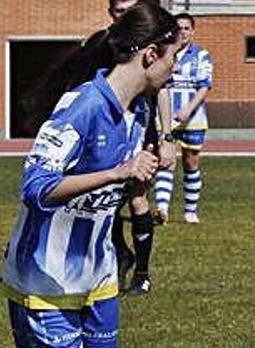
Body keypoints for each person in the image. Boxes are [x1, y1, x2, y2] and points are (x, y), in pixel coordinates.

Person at [0, 4, 178, 348]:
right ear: (151, 54)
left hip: (98, 279)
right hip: (44, 283)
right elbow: (35, 186)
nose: (176, 69)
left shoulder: (138, 110)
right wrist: (117, 173)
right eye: (174, 58)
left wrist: (150, 167)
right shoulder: (82, 106)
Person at [107, 0, 178, 295]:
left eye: (130, 8)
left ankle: (142, 273)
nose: (126, 14)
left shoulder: (153, 47)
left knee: (137, 197)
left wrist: (167, 136)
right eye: (120, 10)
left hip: (142, 130)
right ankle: (119, 255)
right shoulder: (106, 45)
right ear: (111, 12)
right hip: (111, 129)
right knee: (107, 201)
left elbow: (161, 92)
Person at [154, 12, 213, 225]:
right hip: (165, 117)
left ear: (193, 31)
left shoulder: (201, 55)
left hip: (193, 117)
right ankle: (162, 209)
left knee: (191, 162)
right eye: (179, 28)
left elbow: (205, 86)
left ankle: (190, 211)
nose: (183, 32)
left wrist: (189, 108)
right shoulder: (164, 53)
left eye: (187, 28)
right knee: (165, 161)